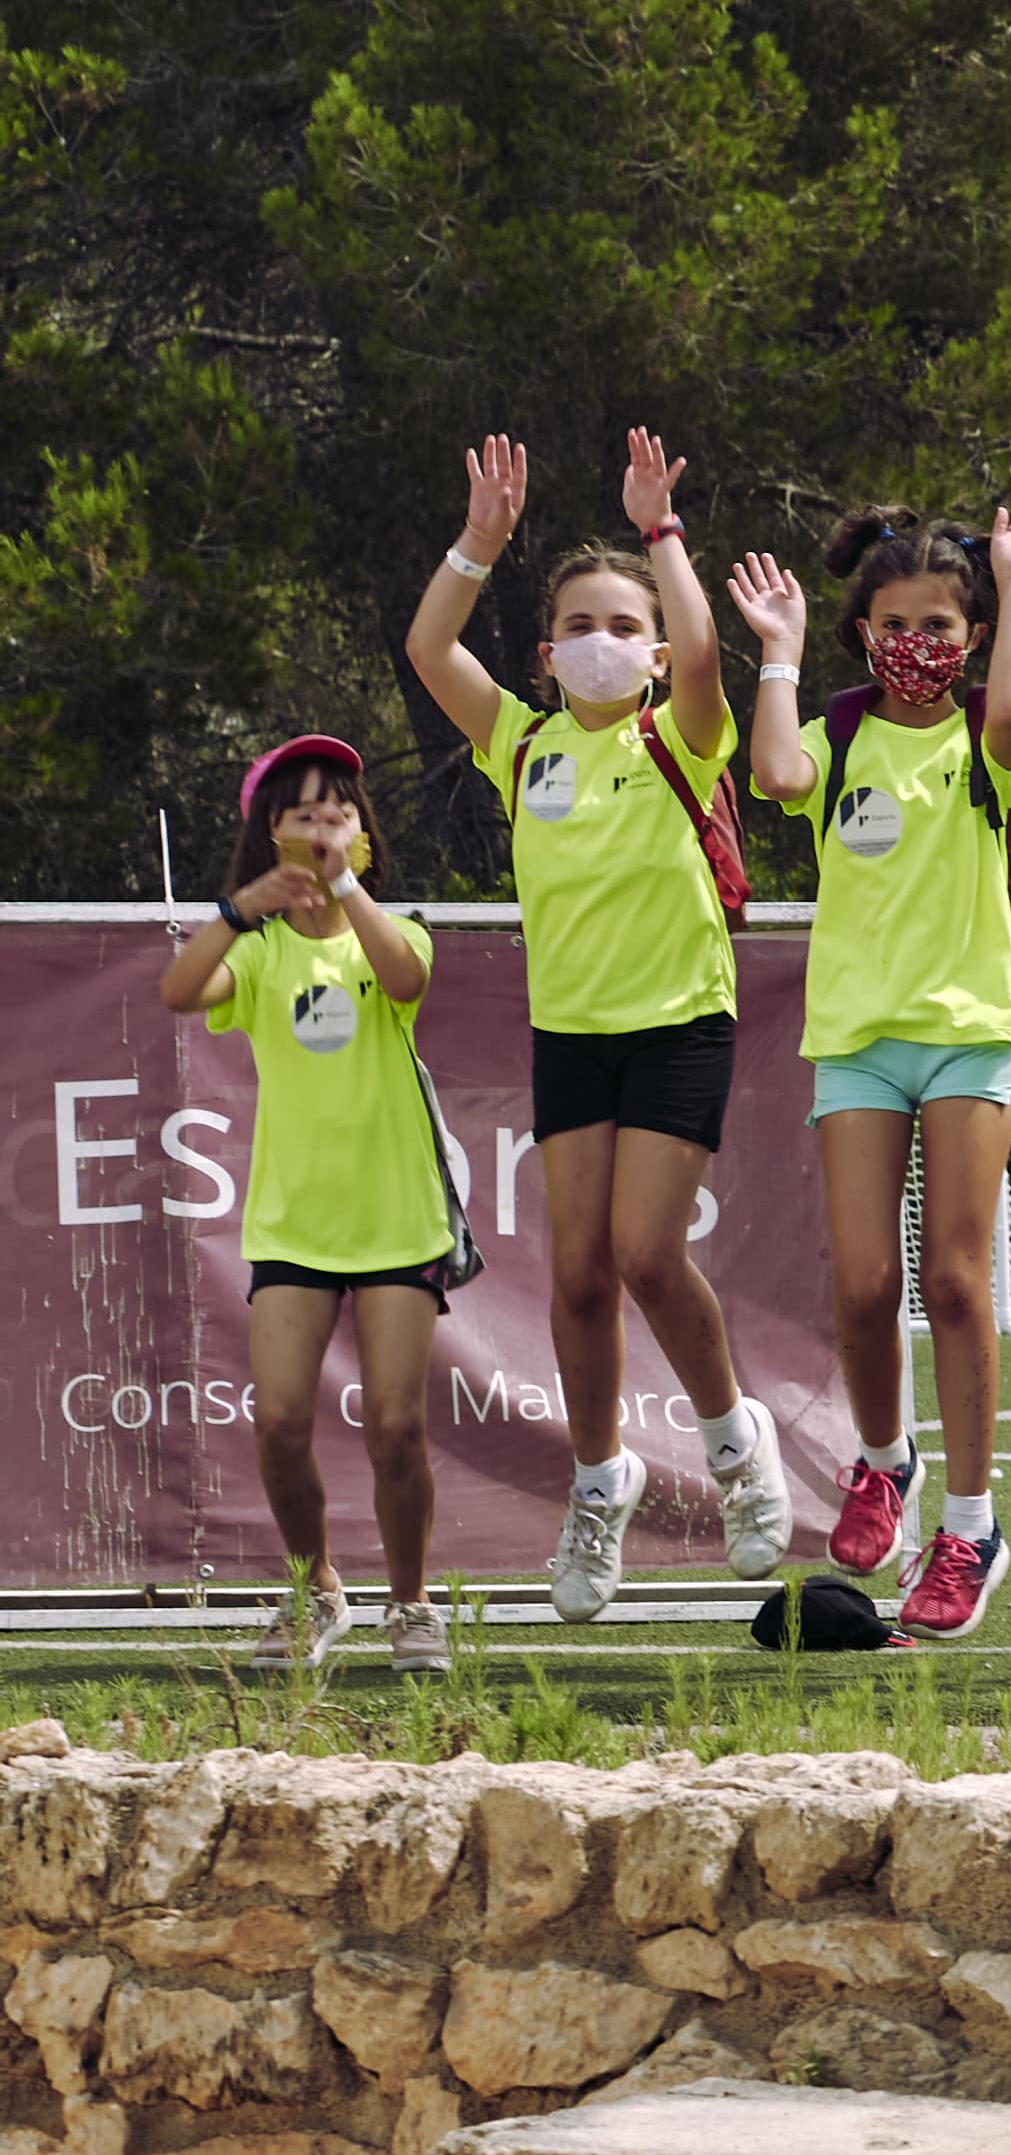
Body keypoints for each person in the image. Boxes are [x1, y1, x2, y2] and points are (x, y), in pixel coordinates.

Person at [406, 428, 787, 1617]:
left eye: (626, 628)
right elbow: (427, 647)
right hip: (573, 1033)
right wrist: (479, 544)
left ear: (657, 652)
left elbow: (710, 651)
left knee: (644, 1254)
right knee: (574, 1275)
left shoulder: (680, 733)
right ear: (546, 651)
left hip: (680, 1021)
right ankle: (599, 1482)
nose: (603, 643)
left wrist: (660, 527)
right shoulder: (522, 746)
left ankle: (737, 1451)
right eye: (580, 626)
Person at [731, 493, 1011, 1640]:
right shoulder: (840, 731)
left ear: (970, 636)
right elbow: (774, 774)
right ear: (862, 626)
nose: (919, 642)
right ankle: (886, 1462)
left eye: (942, 624)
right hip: (858, 1039)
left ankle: (969, 1528)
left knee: (958, 1280)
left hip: (968, 1030)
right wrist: (774, 651)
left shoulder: (984, 739)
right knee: (866, 1284)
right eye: (896, 621)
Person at [169, 739, 455, 1669]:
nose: (326, 826)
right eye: (303, 814)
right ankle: (314, 1591)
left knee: (397, 1425)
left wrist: (348, 892)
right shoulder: (256, 953)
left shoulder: (395, 930)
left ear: (364, 833)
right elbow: (179, 990)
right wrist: (241, 908)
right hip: (294, 1227)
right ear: (271, 836)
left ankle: (411, 1604)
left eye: (342, 811)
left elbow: (406, 981)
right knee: (282, 1420)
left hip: (397, 1220)